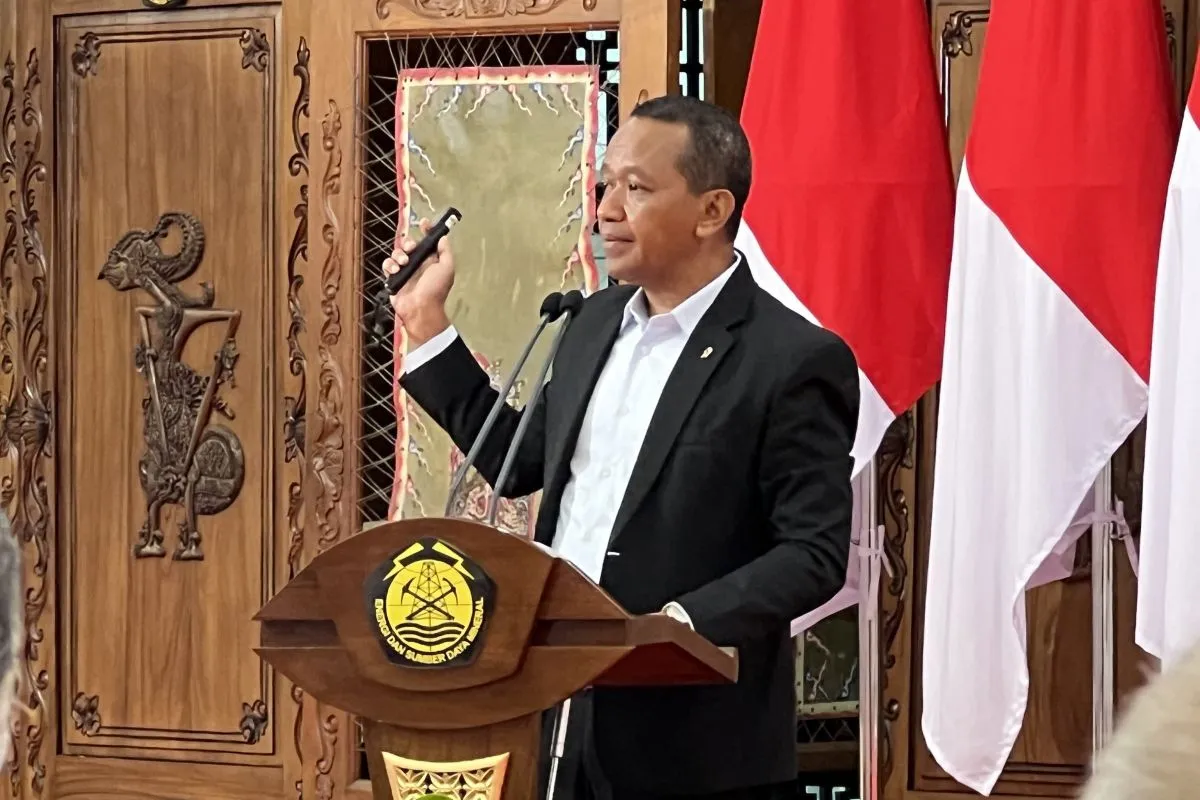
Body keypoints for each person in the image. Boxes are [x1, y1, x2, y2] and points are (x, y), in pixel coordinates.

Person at [383, 94, 858, 800]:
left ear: (711, 210)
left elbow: (812, 553)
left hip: (696, 748)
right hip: (556, 723)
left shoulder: (789, 359)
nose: (605, 211)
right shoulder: (590, 323)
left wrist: (676, 626)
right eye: (605, 185)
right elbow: (518, 461)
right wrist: (426, 321)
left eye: (635, 189)